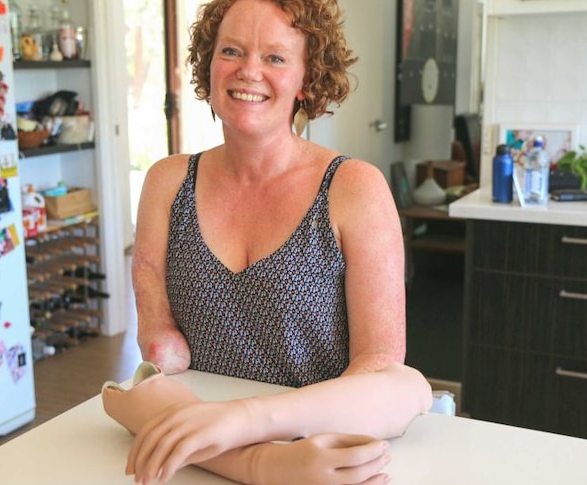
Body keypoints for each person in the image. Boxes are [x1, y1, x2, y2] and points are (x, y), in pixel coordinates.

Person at [110, 1, 433, 484]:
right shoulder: (167, 182)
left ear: (308, 77)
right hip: (198, 442)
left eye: (275, 58)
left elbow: (380, 366)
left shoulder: (354, 189)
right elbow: (156, 324)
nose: (248, 71)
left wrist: (251, 428)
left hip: (319, 442)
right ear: (209, 63)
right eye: (231, 51)